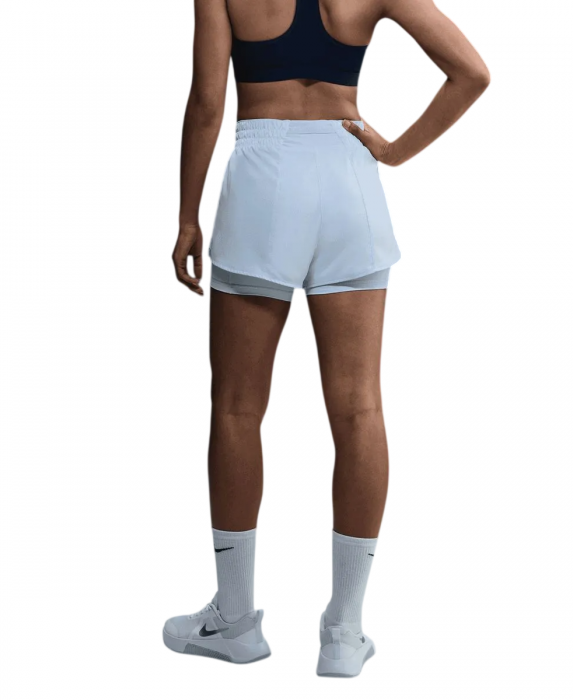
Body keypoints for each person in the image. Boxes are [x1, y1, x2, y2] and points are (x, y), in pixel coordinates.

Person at [163, 0, 489, 677]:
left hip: (263, 176)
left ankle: (234, 619)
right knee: (359, 408)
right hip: (349, 176)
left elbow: (206, 102)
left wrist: (187, 217)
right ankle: (343, 633)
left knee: (236, 408)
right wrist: (392, 151)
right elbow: (471, 72)